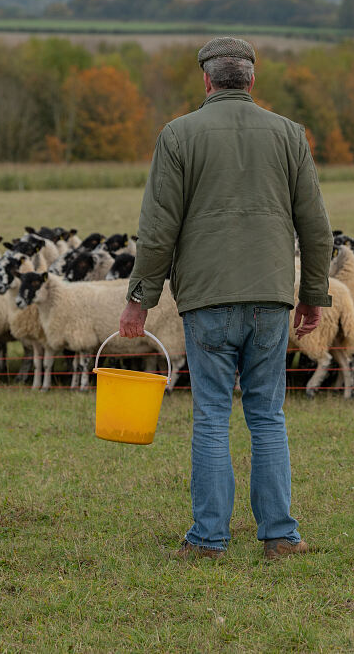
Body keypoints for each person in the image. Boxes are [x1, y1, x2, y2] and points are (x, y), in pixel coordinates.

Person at [118, 36, 333, 561]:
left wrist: (138, 299)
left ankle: (208, 539)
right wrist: (313, 294)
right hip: (271, 297)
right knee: (267, 414)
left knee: (212, 415)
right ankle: (280, 535)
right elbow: (316, 227)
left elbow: (157, 228)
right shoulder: (289, 135)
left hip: (207, 299)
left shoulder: (178, 135)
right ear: (251, 80)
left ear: (207, 81)